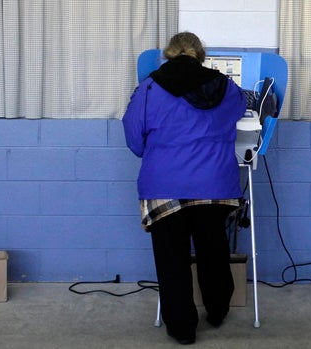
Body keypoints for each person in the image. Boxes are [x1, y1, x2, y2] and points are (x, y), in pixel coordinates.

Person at [122, 32, 246, 345]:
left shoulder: (149, 87)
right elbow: (238, 113)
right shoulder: (226, 87)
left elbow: (133, 137)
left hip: (164, 185)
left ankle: (182, 329)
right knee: (213, 250)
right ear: (200, 55)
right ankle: (217, 312)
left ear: (169, 53)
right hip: (215, 184)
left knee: (171, 258)